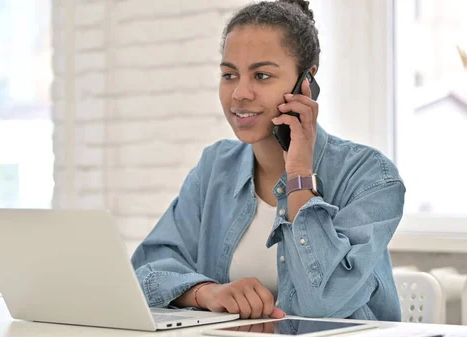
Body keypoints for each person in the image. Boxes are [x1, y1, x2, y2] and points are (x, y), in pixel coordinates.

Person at [131, 0, 405, 321]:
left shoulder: (372, 177)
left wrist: (299, 175)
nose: (239, 93)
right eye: (229, 74)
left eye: (261, 75)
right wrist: (207, 292)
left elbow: (322, 304)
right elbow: (146, 269)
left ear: (306, 82)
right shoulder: (215, 167)